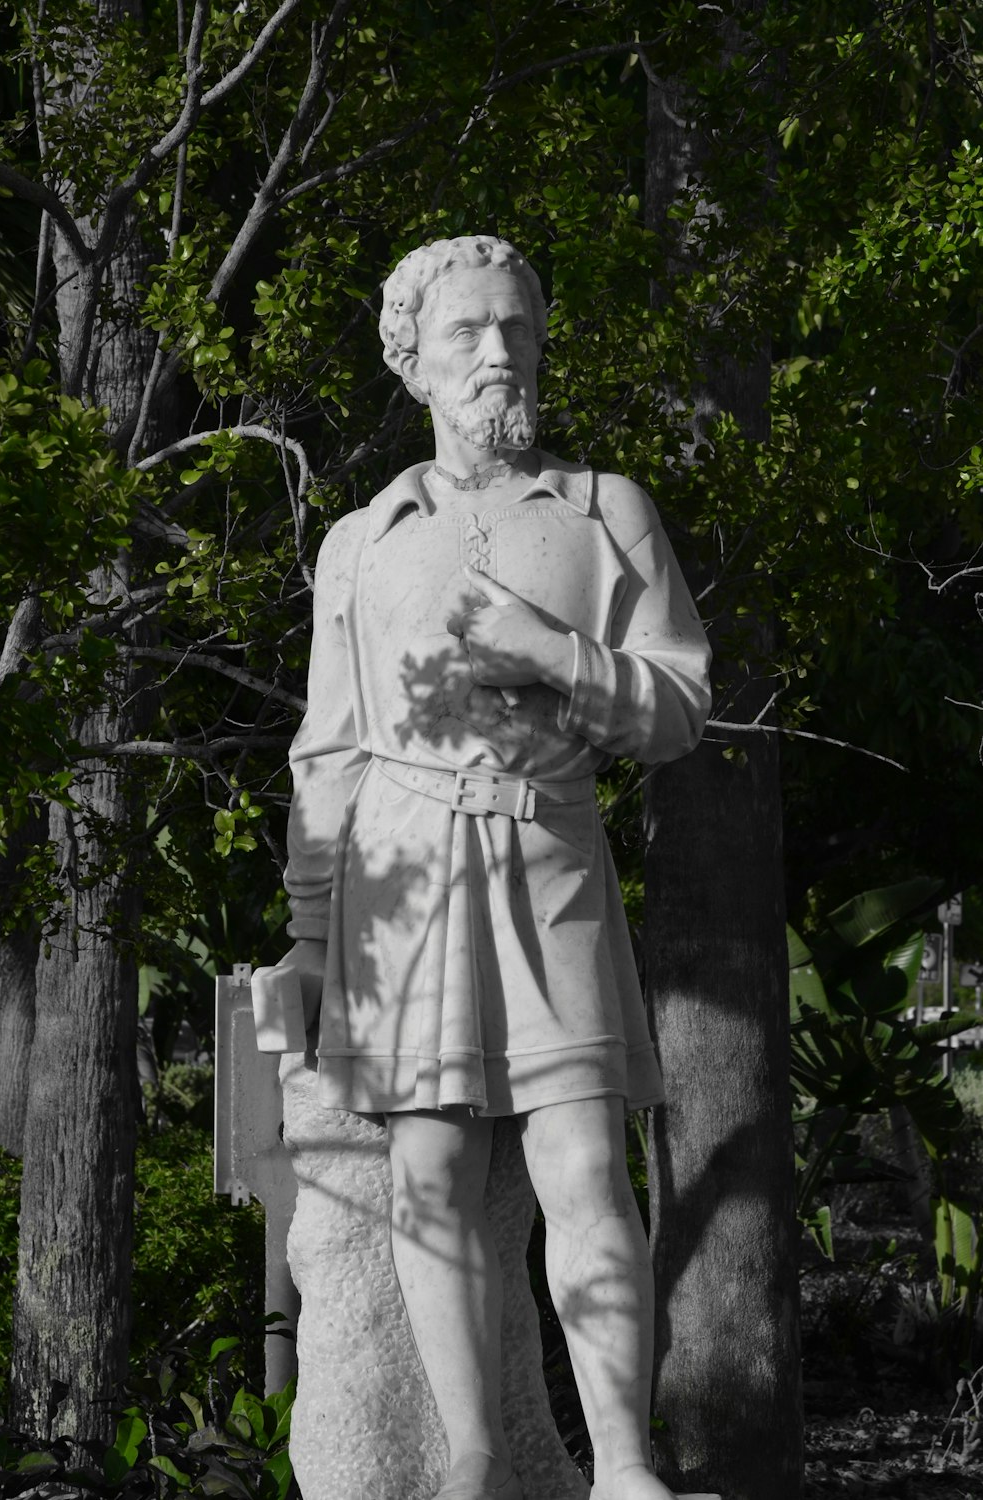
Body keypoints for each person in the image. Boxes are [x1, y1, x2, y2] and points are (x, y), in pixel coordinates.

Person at [274, 236, 717, 1500]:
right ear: (409, 356)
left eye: (516, 326)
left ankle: (623, 1462)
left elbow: (679, 708)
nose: (498, 353)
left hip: (548, 854)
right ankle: (470, 1459)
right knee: (429, 1175)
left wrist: (550, 650)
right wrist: (311, 938)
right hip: (401, 880)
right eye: (467, 330)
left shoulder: (602, 509)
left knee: (583, 1164)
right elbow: (330, 748)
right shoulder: (362, 542)